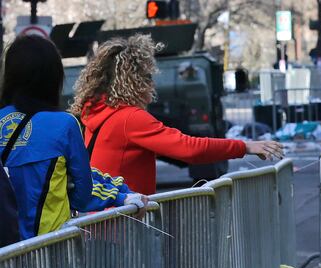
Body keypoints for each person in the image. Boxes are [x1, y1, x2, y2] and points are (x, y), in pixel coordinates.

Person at [70, 34, 283, 195]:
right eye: (148, 78)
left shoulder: (99, 114)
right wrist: (244, 146)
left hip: (102, 221)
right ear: (135, 82)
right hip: (121, 226)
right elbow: (188, 148)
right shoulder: (129, 119)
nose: (153, 85)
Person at [0, 35, 147, 241]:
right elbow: (83, 195)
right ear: (53, 77)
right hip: (46, 252)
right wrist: (121, 195)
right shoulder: (64, 124)